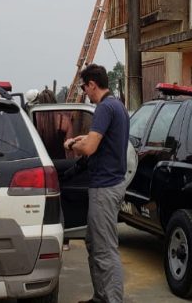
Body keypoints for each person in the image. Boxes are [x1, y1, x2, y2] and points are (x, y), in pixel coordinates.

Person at [63, 64, 129, 303]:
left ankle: (112, 299)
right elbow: (98, 141)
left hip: (105, 187)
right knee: (94, 242)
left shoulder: (103, 109)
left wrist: (71, 144)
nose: (84, 91)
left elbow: (89, 148)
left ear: (92, 84)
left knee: (105, 250)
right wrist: (83, 138)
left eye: (84, 87)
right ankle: (101, 296)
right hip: (111, 184)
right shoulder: (117, 106)